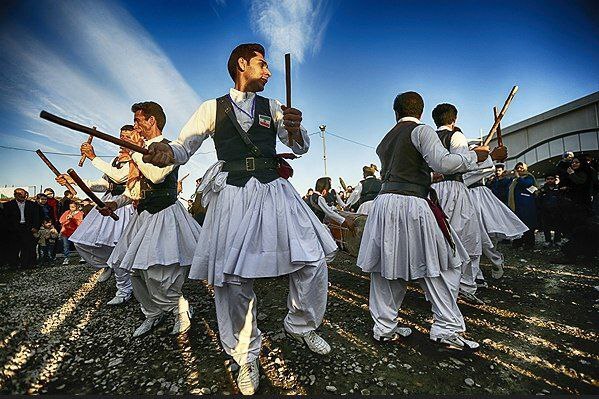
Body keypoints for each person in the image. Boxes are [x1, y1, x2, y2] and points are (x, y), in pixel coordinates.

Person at [141, 43, 337, 395]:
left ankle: (302, 324)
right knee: (232, 279)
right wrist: (165, 151)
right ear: (241, 64)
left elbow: (302, 146)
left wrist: (294, 129)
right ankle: (245, 354)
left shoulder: (274, 107)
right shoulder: (211, 108)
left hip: (274, 191)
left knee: (312, 260)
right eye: (262, 64)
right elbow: (184, 146)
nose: (269, 71)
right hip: (232, 194)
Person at [357, 91, 498, 352]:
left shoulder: (385, 140)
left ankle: (384, 328)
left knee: (387, 267)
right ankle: (447, 329)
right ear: (420, 112)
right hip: (411, 203)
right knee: (443, 263)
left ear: (395, 111)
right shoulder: (421, 131)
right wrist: (474, 156)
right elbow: (443, 163)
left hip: (385, 203)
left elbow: (414, 170)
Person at [101, 102, 202, 339]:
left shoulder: (170, 148)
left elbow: (156, 176)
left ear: (151, 121)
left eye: (138, 121)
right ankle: (152, 312)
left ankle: (180, 310)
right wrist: (116, 203)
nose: (135, 126)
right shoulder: (138, 152)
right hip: (143, 215)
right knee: (134, 271)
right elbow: (135, 188)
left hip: (164, 213)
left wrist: (135, 151)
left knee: (160, 271)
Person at [57, 125, 141, 305]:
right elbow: (103, 184)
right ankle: (109, 265)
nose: (123, 140)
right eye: (121, 136)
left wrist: (93, 157)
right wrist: (75, 181)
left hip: (126, 205)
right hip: (108, 203)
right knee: (84, 241)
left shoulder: (138, 157)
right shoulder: (114, 161)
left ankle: (124, 289)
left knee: (122, 248)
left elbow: (119, 178)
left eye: (128, 136)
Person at [430, 103, 503, 304]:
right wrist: (489, 158)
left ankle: (441, 287)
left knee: (439, 239)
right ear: (454, 119)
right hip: (454, 190)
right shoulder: (457, 136)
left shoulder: (427, 139)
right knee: (467, 238)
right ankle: (465, 285)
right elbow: (463, 163)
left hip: (433, 193)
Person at [464, 162, 529, 281]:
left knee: (487, 232)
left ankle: (494, 261)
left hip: (480, 197)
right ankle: (478, 270)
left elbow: (487, 168)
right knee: (472, 235)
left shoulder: (480, 164)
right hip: (465, 196)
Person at [4, 188, 43, 269]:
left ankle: (26, 265)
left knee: (28, 247)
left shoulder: (33, 205)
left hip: (28, 228)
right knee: (13, 248)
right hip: (13, 229)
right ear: (15, 195)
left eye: (24, 194)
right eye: (20, 194)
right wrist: (9, 229)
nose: (22, 196)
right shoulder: (7, 205)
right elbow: (5, 219)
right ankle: (13, 265)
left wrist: (36, 227)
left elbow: (38, 217)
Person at [508, 162, 538, 249]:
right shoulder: (514, 180)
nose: (519, 169)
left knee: (528, 225)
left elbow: (526, 184)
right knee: (518, 224)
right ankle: (518, 243)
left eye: (521, 168)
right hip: (517, 205)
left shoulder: (529, 177)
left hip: (527, 205)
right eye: (517, 168)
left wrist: (518, 177)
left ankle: (529, 243)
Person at [537, 174, 562, 246]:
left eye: (552, 179)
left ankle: (557, 240)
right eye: (548, 179)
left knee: (558, 226)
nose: (550, 180)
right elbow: (539, 200)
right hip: (545, 211)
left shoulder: (559, 189)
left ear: (555, 179)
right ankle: (548, 240)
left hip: (557, 210)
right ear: (546, 180)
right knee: (546, 227)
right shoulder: (542, 189)